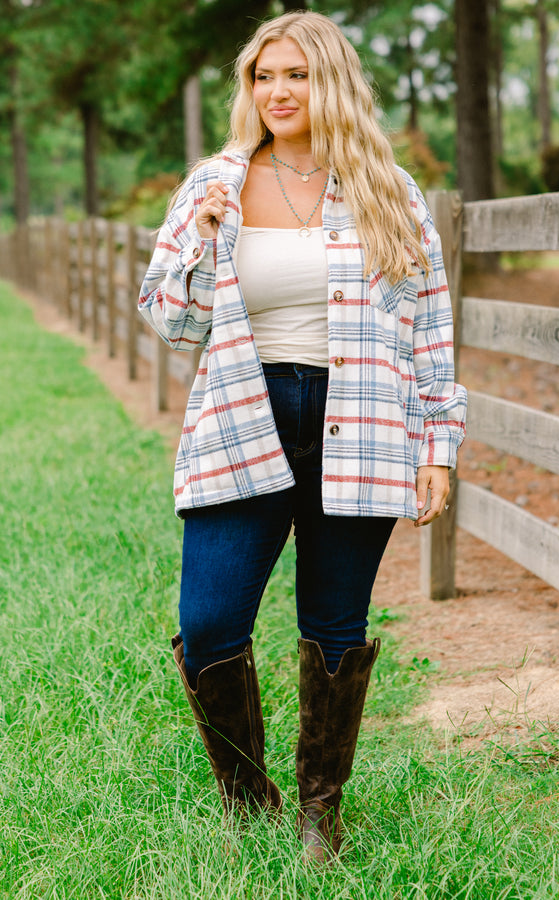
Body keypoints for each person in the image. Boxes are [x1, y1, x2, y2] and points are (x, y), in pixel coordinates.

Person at [138, 10, 466, 862]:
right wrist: (203, 243)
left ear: (333, 82)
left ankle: (321, 813)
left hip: (361, 420)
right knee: (209, 623)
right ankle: (249, 802)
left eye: (297, 74)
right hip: (244, 416)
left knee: (335, 624)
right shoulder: (214, 184)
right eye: (263, 76)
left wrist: (437, 446)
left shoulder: (389, 190)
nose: (277, 92)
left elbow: (430, 328)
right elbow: (171, 323)